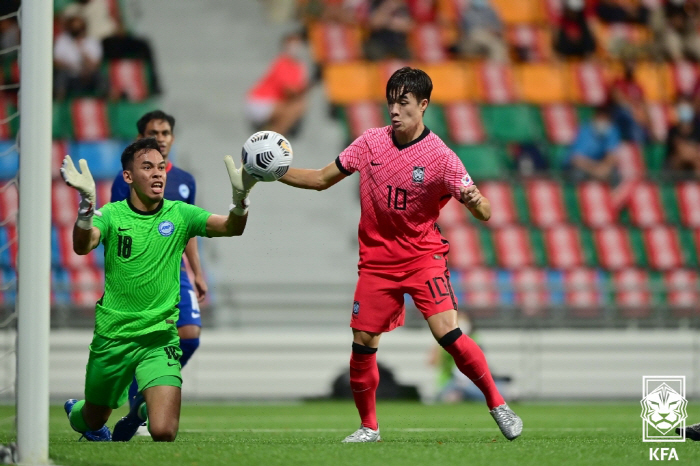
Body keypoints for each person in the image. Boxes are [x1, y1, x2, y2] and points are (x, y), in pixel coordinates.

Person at [279, 67, 522, 443]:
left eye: (403, 102)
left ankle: (497, 403)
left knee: (449, 332)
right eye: (390, 101)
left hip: (422, 257)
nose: (394, 109)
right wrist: (273, 171)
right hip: (377, 262)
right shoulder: (370, 143)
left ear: (423, 105)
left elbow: (486, 211)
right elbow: (319, 179)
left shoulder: (441, 156)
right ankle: (368, 427)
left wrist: (476, 202)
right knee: (363, 344)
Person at [60, 137, 255, 442]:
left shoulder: (180, 214)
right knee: (92, 419)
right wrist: (85, 210)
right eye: (147, 167)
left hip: (159, 338)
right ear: (128, 176)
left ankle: (140, 409)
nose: (158, 174)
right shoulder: (111, 215)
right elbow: (82, 245)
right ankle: (78, 410)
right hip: (114, 336)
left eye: (161, 167)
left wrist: (241, 200)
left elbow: (231, 227)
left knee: (164, 431)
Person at [110, 111, 205, 436]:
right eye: (154, 132)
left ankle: (146, 397)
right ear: (141, 139)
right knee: (147, 340)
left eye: (165, 132)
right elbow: (117, 227)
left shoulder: (185, 181)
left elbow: (189, 227)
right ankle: (142, 402)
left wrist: (196, 270)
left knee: (190, 334)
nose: (161, 137)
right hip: (141, 274)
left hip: (176, 269)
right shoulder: (125, 181)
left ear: (172, 139)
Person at [245, 32, 310, 136]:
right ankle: (273, 138)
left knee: (299, 105)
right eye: (292, 45)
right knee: (298, 106)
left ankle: (273, 133)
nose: (296, 48)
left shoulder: (298, 66)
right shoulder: (282, 62)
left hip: (273, 103)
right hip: (261, 102)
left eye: (298, 44)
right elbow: (289, 90)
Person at [563, 105, 621, 183]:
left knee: (615, 176)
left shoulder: (612, 130)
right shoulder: (584, 130)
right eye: (601, 118)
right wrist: (595, 170)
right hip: (582, 167)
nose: (604, 121)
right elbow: (576, 159)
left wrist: (604, 168)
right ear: (596, 117)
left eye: (607, 119)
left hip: (600, 167)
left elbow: (611, 156)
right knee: (577, 175)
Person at [53, 14, 107, 100]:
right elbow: (56, 61)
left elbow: (95, 65)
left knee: (100, 76)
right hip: (69, 75)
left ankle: (107, 103)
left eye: (79, 28)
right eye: (74, 28)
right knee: (61, 76)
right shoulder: (62, 40)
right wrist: (70, 66)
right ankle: (59, 104)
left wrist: (81, 50)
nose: (77, 31)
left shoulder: (92, 41)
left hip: (87, 76)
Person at [608, 60, 649, 143]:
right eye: (629, 66)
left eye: (633, 66)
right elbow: (618, 99)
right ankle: (637, 145)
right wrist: (633, 109)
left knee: (647, 125)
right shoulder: (618, 82)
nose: (631, 68)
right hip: (622, 112)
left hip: (636, 114)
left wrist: (646, 119)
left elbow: (643, 104)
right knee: (631, 120)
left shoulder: (638, 86)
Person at [666, 95, 700, 177]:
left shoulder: (698, 129)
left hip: (695, 158)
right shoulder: (673, 130)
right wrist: (691, 151)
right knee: (677, 160)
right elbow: (678, 148)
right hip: (678, 162)